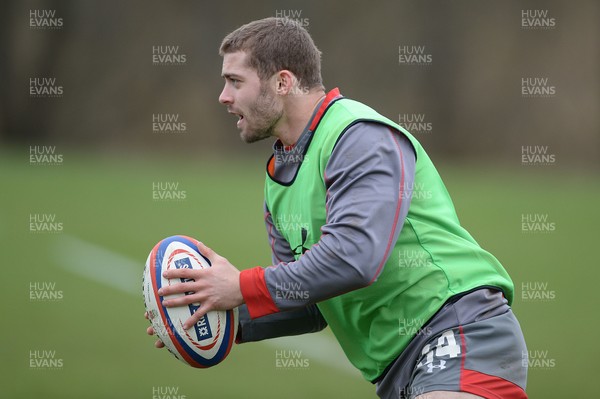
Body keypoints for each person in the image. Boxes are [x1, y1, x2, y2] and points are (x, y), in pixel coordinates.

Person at [146, 17, 528, 399]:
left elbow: (355, 257)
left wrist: (242, 285)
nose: (223, 96)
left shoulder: (359, 137)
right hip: (397, 369)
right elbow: (312, 303)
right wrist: (217, 319)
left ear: (282, 82)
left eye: (235, 81)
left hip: (459, 331)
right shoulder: (279, 181)